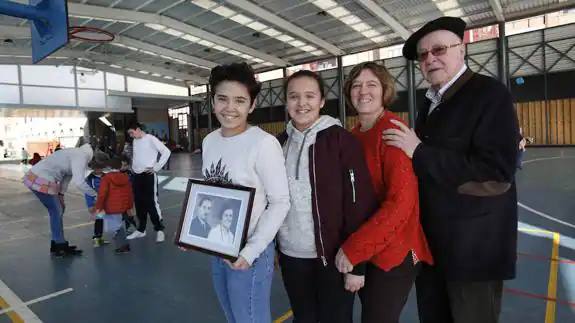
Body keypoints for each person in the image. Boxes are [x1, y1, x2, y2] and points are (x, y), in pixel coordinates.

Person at [384, 17, 519, 323]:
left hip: (472, 253)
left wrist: (418, 151)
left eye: (439, 49)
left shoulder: (489, 95)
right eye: (423, 55)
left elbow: (496, 175)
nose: (430, 58)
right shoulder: (430, 104)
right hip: (432, 249)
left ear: (462, 50)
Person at [333, 62, 434, 323]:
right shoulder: (352, 135)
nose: (363, 91)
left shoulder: (392, 132)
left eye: (371, 84)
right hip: (365, 250)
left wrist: (355, 250)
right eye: (356, 85)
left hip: (393, 253)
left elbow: (401, 205)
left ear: (384, 90)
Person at [276, 70, 378, 323]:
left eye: (310, 96)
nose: (302, 103)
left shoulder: (342, 141)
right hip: (291, 257)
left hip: (335, 258)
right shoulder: (278, 144)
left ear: (322, 101)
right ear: (286, 102)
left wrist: (357, 264)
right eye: (294, 96)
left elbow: (358, 205)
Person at [199, 62, 290, 323]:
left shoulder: (263, 143)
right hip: (218, 246)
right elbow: (210, 191)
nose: (230, 108)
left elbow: (280, 202)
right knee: (232, 316)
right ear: (213, 101)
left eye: (240, 101)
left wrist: (251, 251)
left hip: (250, 252)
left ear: (251, 106)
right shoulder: (209, 141)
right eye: (222, 99)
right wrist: (193, 231)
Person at [23, 143, 100, 256]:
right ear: (92, 158)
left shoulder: (74, 153)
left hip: (35, 177)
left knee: (56, 211)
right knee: (56, 211)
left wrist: (61, 196)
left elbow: (66, 177)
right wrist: (95, 194)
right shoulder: (81, 156)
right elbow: (79, 183)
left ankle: (56, 244)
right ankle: (60, 246)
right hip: (42, 179)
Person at [126, 122, 171, 243]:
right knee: (139, 203)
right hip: (136, 176)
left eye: (132, 132)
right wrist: (133, 169)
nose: (131, 135)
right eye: (129, 133)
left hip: (148, 175)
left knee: (151, 203)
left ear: (138, 129)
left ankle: (159, 229)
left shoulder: (151, 139)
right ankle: (141, 230)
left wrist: (156, 167)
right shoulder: (135, 141)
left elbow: (166, 152)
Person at [94, 158, 134, 254]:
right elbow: (130, 193)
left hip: (110, 207)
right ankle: (123, 244)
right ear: (120, 166)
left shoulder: (106, 178)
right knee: (117, 225)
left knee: (116, 227)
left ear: (109, 167)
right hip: (121, 207)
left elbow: (102, 194)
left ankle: (124, 246)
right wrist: (129, 207)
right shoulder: (125, 177)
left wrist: (98, 207)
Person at [84, 160, 107, 247]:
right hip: (96, 203)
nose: (98, 169)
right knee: (99, 220)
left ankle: (99, 238)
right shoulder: (90, 179)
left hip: (106, 202)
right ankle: (97, 238)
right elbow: (87, 192)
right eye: (96, 167)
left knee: (107, 220)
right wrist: (90, 205)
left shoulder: (106, 176)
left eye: (100, 167)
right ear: (92, 168)